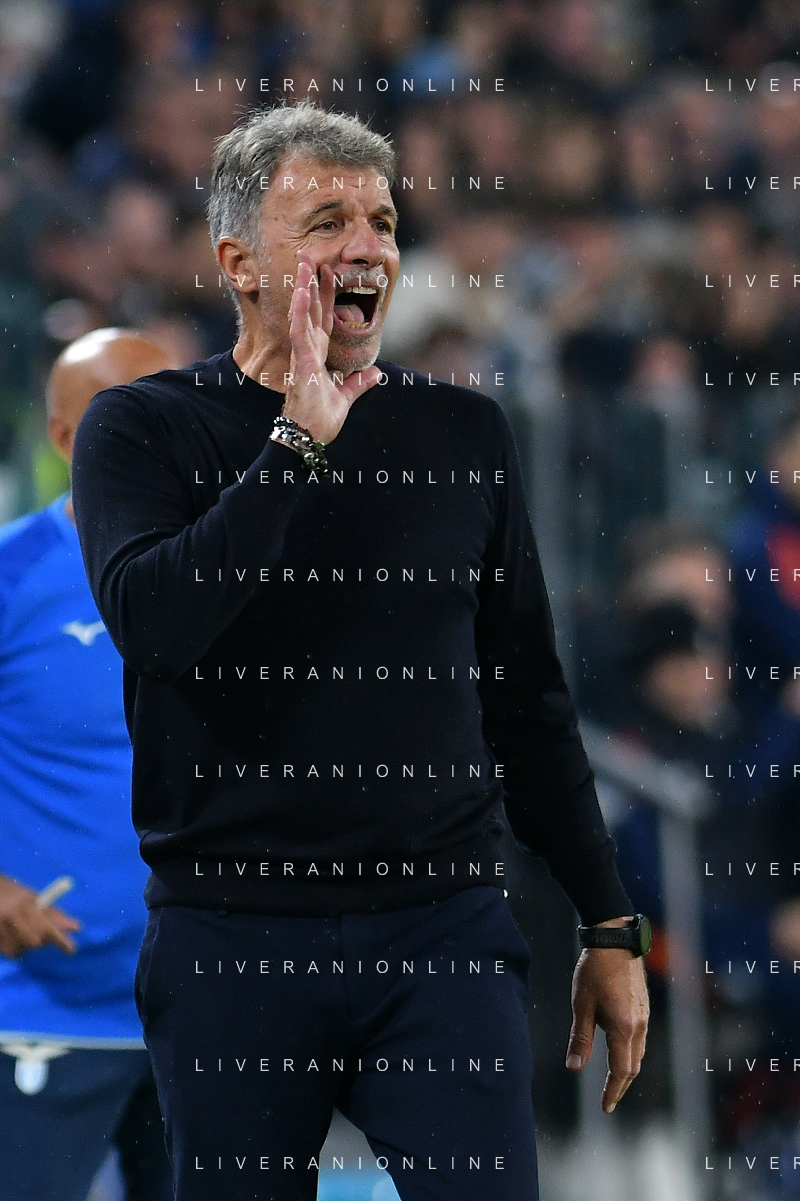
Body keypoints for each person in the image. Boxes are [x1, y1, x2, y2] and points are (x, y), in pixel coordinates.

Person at [72, 101, 649, 1201]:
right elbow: (158, 625)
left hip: (440, 930)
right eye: (326, 220)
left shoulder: (462, 434)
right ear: (239, 264)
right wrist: (296, 441)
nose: (368, 245)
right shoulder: (142, 428)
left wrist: (608, 920)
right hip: (231, 935)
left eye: (381, 220)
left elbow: (526, 698)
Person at [0, 329, 174, 1201]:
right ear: (67, 439)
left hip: (204, 1006)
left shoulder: (236, 569)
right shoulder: (10, 577)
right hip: (42, 1008)